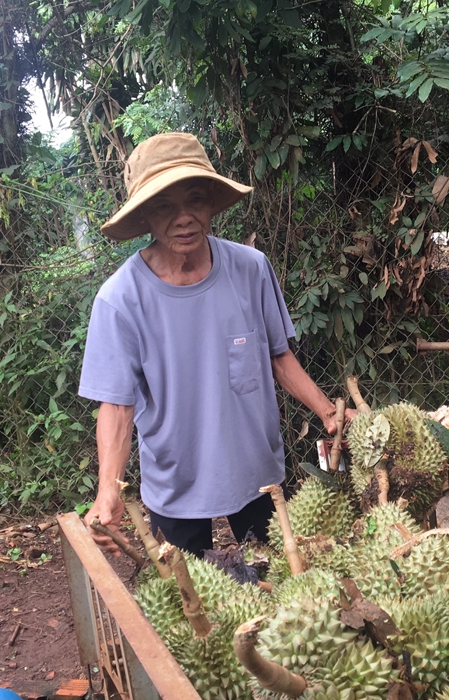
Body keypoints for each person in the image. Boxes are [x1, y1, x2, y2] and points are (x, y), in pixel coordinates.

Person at [78, 132, 354, 557]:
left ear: (211, 201)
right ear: (146, 216)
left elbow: (277, 355)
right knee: (192, 605)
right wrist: (108, 490)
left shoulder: (250, 269)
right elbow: (117, 405)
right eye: (164, 206)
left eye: (195, 200)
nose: (183, 218)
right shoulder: (120, 299)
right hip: (176, 478)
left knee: (278, 584)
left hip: (256, 470)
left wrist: (327, 411)